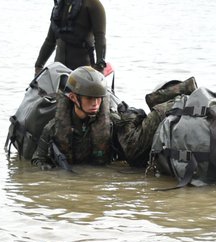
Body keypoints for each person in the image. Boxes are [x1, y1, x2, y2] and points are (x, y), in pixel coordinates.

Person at [31, 66, 194, 169]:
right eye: (89, 98)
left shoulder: (110, 121)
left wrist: (129, 119)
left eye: (98, 98)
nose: (95, 103)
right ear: (74, 98)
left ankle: (181, 94)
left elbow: (132, 145)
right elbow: (37, 159)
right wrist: (48, 170)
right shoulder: (53, 128)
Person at [34, 0, 107, 76]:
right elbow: (50, 41)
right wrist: (38, 66)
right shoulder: (59, 7)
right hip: (59, 73)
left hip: (84, 72)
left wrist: (99, 66)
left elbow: (100, 37)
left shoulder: (92, 4)